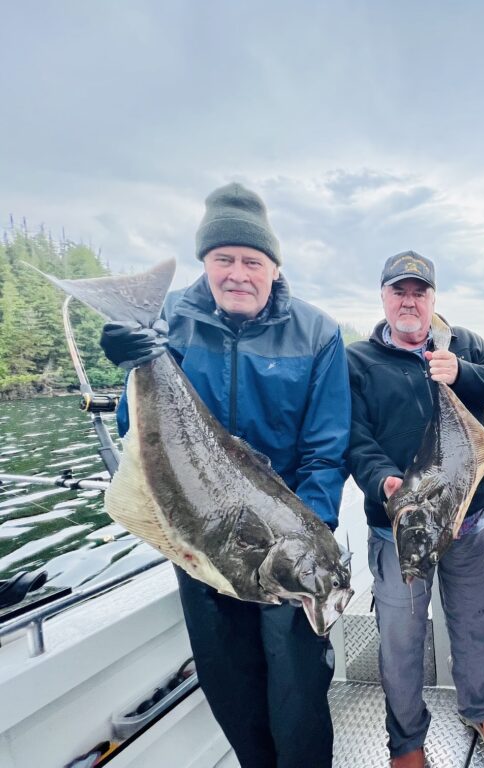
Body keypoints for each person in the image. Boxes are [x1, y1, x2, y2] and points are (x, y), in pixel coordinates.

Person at [100, 183, 351, 768]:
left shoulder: (317, 334)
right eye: (224, 260)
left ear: (273, 266)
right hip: (200, 548)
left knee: (298, 699)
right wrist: (134, 360)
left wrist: (302, 546)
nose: (239, 274)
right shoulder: (168, 326)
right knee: (231, 690)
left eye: (252, 261)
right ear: (205, 263)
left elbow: (325, 452)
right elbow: (135, 433)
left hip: (286, 553)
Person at [346, 251, 484, 768]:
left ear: (433, 300)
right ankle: (406, 740)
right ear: (383, 297)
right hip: (400, 527)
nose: (409, 301)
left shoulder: (462, 342)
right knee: (402, 636)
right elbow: (353, 439)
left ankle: (479, 706)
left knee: (478, 620)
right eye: (399, 291)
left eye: (419, 292)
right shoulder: (358, 361)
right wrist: (383, 482)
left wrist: (461, 371)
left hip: (471, 518)